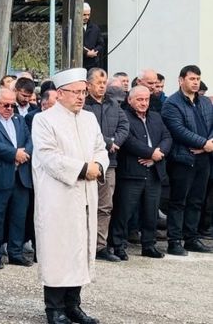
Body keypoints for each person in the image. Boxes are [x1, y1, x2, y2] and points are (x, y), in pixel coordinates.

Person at [31, 68, 109, 324]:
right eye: (75, 92)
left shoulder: (89, 118)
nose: (81, 97)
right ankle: (54, 308)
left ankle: (73, 304)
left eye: (83, 92)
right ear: (60, 93)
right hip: (58, 196)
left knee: (80, 248)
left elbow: (100, 148)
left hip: (85, 194)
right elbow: (49, 157)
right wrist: (84, 169)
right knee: (59, 249)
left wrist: (99, 165)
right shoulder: (44, 120)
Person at [109, 86, 172, 259]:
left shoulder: (156, 117)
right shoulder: (123, 116)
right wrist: (150, 153)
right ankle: (118, 245)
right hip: (131, 172)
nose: (144, 103)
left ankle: (149, 245)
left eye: (146, 99)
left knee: (151, 211)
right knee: (124, 211)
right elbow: (128, 140)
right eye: (139, 99)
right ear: (130, 100)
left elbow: (167, 137)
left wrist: (158, 155)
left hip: (154, 171)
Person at [162, 65, 213, 255]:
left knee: (196, 200)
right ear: (181, 80)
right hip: (183, 159)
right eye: (192, 79)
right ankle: (174, 241)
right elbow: (178, 130)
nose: (196, 82)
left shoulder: (205, 102)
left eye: (198, 79)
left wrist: (208, 144)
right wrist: (204, 143)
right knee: (178, 201)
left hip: (204, 158)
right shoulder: (172, 103)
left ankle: (191, 238)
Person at [82, 68, 129, 262]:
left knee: (105, 206)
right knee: (85, 205)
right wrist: (108, 142)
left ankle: (100, 246)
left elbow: (124, 126)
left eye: (104, 83)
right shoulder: (83, 105)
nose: (102, 86)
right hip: (87, 162)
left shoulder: (113, 104)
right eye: (98, 83)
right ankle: (83, 244)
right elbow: (86, 131)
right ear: (88, 84)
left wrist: (115, 141)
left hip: (109, 163)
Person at [0, 87, 33, 269]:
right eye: (6, 105)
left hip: (21, 175)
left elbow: (30, 139)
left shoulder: (18, 119)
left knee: (18, 217)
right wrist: (13, 154)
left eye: (13, 105)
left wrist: (24, 154)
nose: (10, 108)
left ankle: (16, 253)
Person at [82, 3, 105, 70]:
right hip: (78, 64)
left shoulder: (95, 28)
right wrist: (86, 53)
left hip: (93, 64)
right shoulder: (72, 28)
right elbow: (72, 45)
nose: (87, 17)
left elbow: (101, 44)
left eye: (88, 15)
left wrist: (94, 51)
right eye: (84, 15)